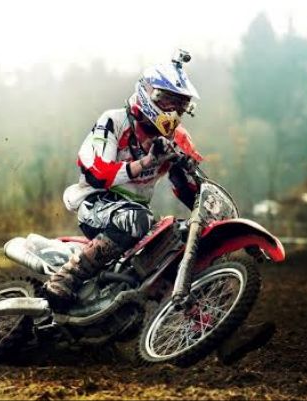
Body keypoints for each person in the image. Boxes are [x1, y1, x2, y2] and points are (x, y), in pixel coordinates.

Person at [43, 50, 274, 364]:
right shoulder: (114, 121)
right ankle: (66, 278)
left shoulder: (177, 138)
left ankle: (225, 335)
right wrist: (146, 162)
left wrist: (230, 230)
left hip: (134, 214)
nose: (173, 111)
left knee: (182, 236)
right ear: (148, 93)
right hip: (94, 202)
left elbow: (191, 189)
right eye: (168, 102)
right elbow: (95, 172)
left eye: (180, 106)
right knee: (136, 218)